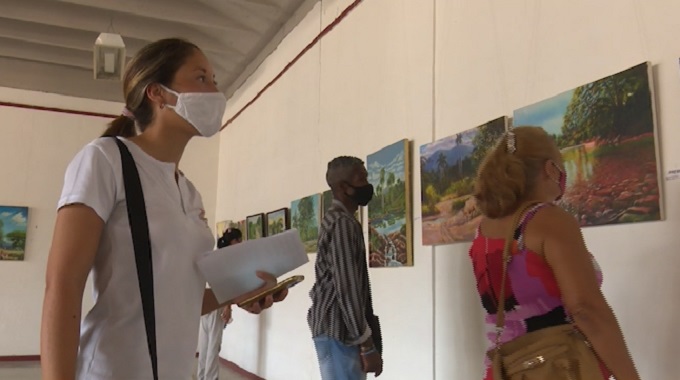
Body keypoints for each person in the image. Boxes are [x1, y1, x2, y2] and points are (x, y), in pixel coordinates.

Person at [40, 38, 287, 380]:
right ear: (156, 93)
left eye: (214, 80)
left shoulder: (189, 192)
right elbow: (63, 285)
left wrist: (238, 290)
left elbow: (176, 301)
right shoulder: (106, 160)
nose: (214, 91)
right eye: (201, 78)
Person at [469, 126, 640, 380]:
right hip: (558, 368)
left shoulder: (483, 230)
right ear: (550, 169)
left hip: (507, 369)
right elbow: (585, 309)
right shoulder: (548, 220)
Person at [308, 156, 383, 379]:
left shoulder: (334, 219)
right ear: (343, 187)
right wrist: (367, 345)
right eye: (361, 178)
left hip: (333, 329)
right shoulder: (342, 223)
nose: (367, 184)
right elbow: (347, 288)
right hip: (340, 331)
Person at [196, 228, 242, 380]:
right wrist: (227, 308)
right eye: (239, 241)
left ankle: (202, 376)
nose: (240, 244)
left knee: (204, 345)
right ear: (233, 241)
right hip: (218, 304)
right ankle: (211, 377)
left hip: (205, 303)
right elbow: (225, 286)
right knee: (213, 346)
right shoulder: (229, 259)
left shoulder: (215, 256)